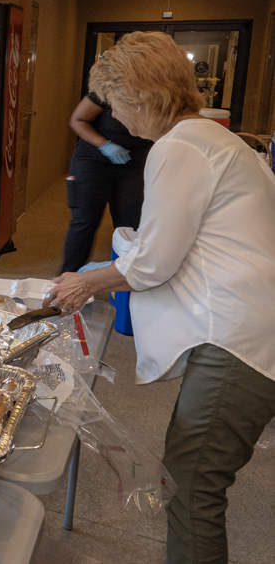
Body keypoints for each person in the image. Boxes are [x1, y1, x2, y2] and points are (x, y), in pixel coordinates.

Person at [48, 31, 275, 564]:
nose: (120, 121)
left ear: (145, 97)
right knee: (195, 475)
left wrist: (85, 281)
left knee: (193, 484)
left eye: (120, 106)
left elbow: (153, 262)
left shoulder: (180, 146)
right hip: (252, 324)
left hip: (239, 340)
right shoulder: (213, 138)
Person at [60, 90, 153, 273]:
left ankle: (125, 278)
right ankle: (67, 280)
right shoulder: (109, 87)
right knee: (85, 221)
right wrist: (104, 145)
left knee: (131, 224)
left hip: (135, 163)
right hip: (94, 159)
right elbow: (78, 120)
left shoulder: (160, 93)